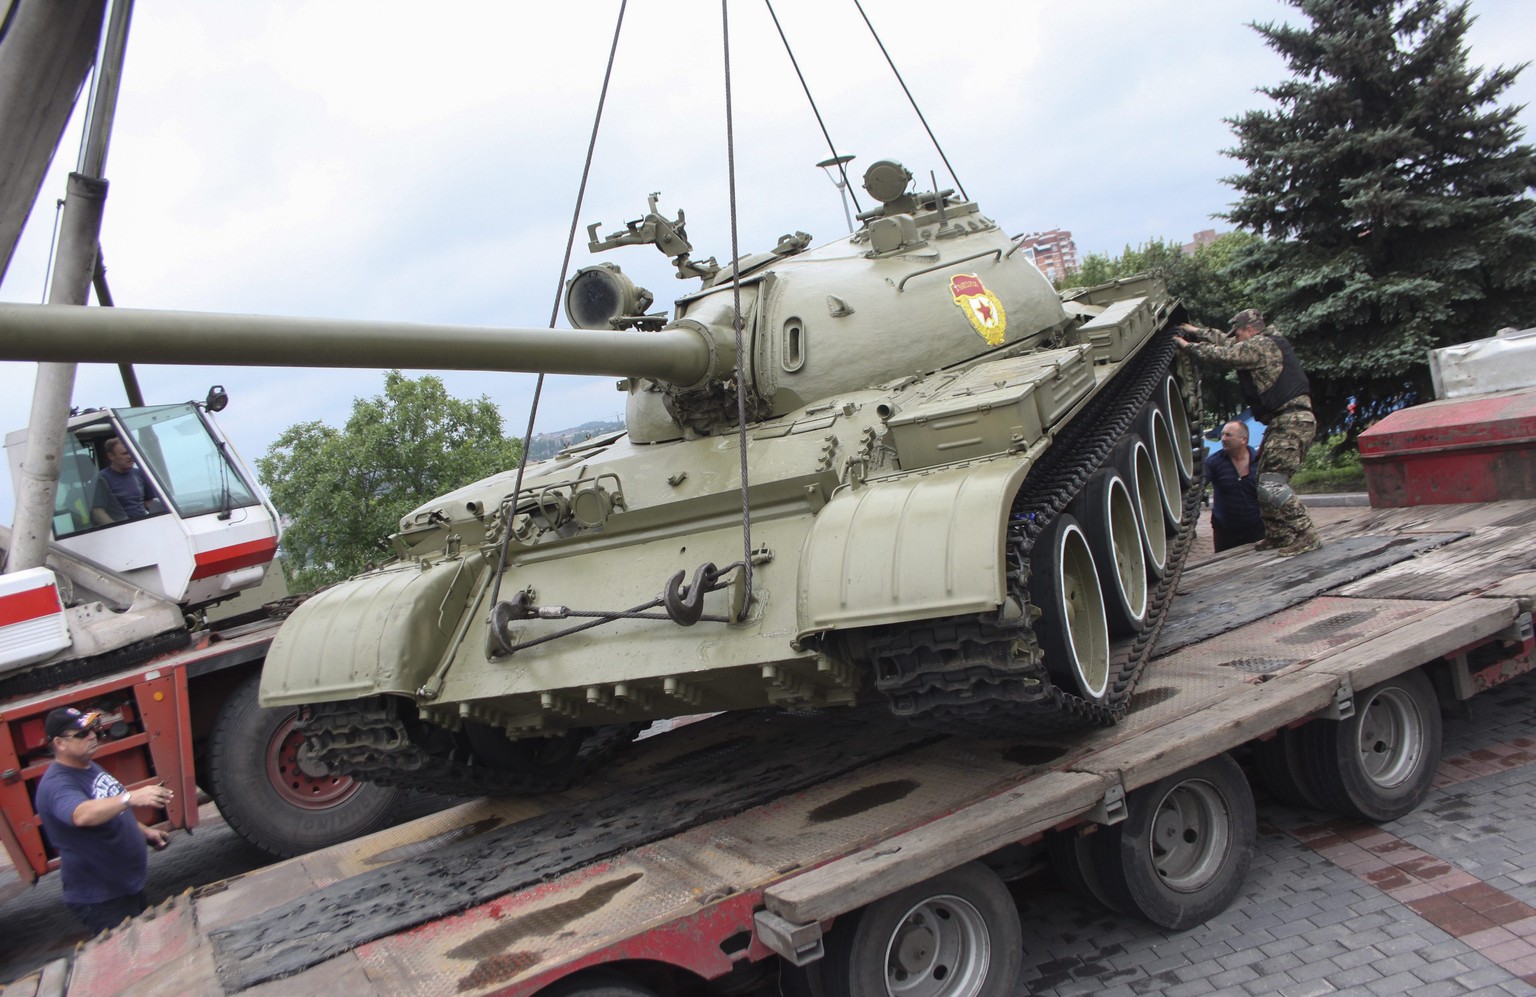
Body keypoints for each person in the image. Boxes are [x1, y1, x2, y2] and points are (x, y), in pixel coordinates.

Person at [1174, 309, 1321, 557]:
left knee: (1272, 483)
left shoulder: (1259, 346)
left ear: (1250, 330)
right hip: (1286, 420)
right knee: (1261, 480)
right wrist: (1196, 331)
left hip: (1291, 420)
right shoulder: (1267, 342)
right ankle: (1279, 534)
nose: (1237, 338)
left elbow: (1226, 354)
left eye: (1239, 333)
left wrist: (1186, 346)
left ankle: (1306, 534)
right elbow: (1229, 342)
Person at [33, 707, 172, 935]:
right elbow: (81, 814)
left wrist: (143, 830)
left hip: (123, 887)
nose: (91, 736)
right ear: (59, 743)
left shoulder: (86, 766)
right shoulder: (58, 783)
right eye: (81, 734)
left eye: (92, 729)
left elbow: (107, 806)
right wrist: (131, 797)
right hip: (101, 899)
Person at [1205, 420, 1264, 552]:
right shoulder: (1213, 462)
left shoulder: (1259, 461)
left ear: (1243, 439)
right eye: (1222, 434)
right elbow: (1198, 487)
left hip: (1256, 530)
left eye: (1228, 435)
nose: (1223, 438)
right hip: (1225, 532)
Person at [90, 437, 158, 525]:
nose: (130, 457)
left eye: (131, 452)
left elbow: (149, 502)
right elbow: (97, 512)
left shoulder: (139, 474)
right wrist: (115, 528)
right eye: (125, 453)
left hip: (143, 524)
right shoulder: (102, 478)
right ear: (111, 456)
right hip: (122, 528)